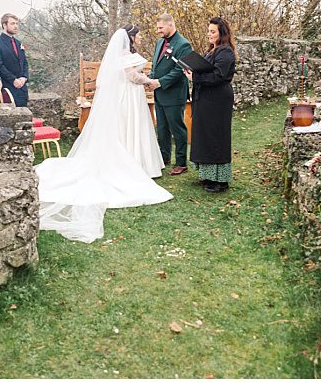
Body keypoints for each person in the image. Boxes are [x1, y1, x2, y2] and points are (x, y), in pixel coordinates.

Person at [35, 27, 172, 243]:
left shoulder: (123, 55)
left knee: (133, 129)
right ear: (131, 38)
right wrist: (149, 81)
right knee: (130, 128)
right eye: (138, 34)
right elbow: (132, 76)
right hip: (129, 97)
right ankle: (135, 163)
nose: (141, 37)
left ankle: (139, 162)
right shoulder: (125, 56)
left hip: (131, 97)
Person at [188, 17, 237, 192]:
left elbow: (218, 75)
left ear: (221, 33)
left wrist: (195, 77)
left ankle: (221, 181)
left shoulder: (225, 52)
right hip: (205, 98)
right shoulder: (211, 51)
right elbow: (205, 70)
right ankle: (208, 175)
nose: (209, 34)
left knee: (216, 136)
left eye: (213, 31)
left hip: (217, 100)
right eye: (208, 31)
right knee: (205, 135)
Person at [149, 13, 193, 175]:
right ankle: (163, 157)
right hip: (159, 94)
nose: (158, 30)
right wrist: (149, 80)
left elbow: (179, 71)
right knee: (162, 128)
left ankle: (181, 163)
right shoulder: (160, 42)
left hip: (174, 94)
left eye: (160, 27)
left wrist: (159, 82)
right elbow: (155, 65)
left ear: (170, 25)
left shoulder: (184, 45)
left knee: (177, 128)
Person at [0, 14, 30, 107]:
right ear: (4, 25)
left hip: (22, 90)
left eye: (16, 23)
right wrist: (13, 80)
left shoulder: (18, 43)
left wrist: (24, 78)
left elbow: (24, 62)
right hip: (7, 90)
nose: (16, 26)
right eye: (12, 23)